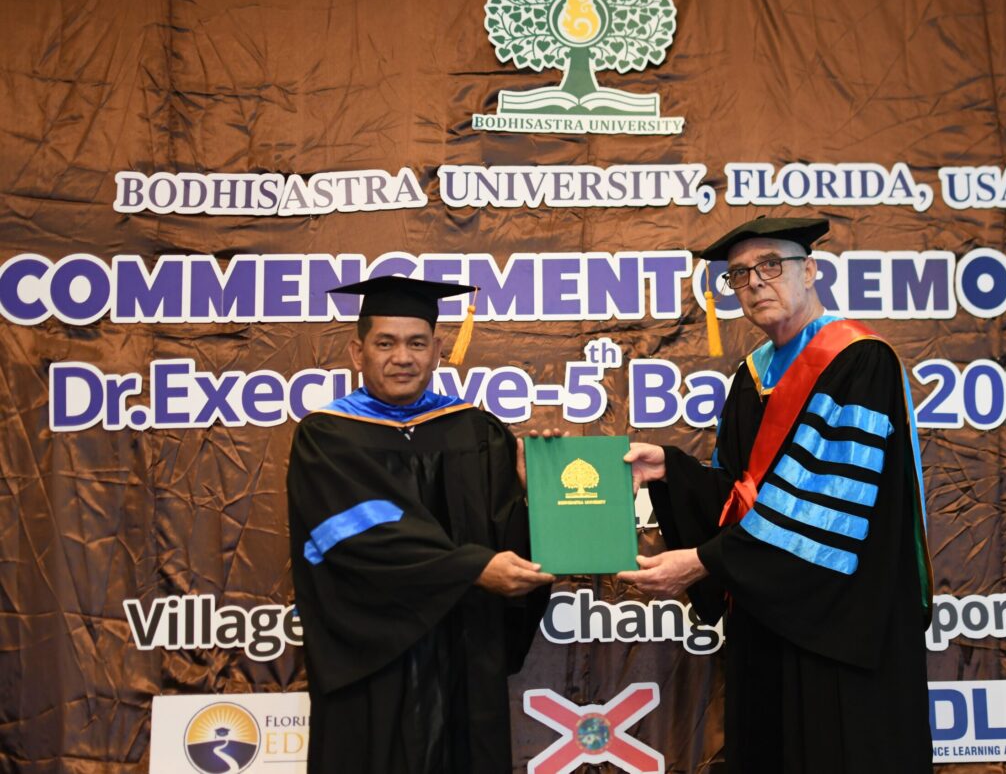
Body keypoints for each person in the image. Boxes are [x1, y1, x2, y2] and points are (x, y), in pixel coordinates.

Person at [619, 217, 934, 773]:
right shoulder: (751, 377)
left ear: (809, 270)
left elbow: (825, 504)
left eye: (771, 265)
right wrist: (671, 470)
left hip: (841, 623)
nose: (755, 282)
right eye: (739, 274)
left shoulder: (859, 360)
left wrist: (704, 561)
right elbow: (742, 495)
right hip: (766, 621)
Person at [286, 275, 554, 774]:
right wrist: (473, 568)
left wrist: (533, 495)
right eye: (385, 343)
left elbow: (504, 534)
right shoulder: (328, 437)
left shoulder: (475, 430)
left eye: (416, 343)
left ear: (437, 351)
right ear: (357, 352)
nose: (402, 357)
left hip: (464, 653)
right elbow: (359, 537)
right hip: (374, 657)